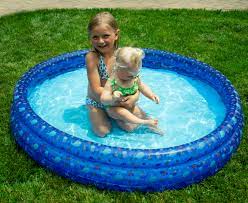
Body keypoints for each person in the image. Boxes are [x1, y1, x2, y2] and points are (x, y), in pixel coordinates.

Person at [86, 12, 142, 137]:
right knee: (102, 132)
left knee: (132, 127)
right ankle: (96, 112)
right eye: (95, 37)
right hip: (98, 102)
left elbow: (135, 81)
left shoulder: (122, 56)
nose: (101, 41)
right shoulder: (92, 57)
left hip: (119, 98)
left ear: (116, 34)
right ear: (90, 37)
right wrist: (118, 100)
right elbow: (95, 89)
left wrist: (134, 97)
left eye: (105, 36)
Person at [100, 47, 163, 134]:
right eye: (130, 76)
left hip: (130, 106)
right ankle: (142, 122)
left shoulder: (134, 77)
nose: (133, 77)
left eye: (136, 74)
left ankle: (152, 126)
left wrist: (151, 95)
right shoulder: (113, 81)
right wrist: (113, 97)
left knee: (141, 117)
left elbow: (142, 87)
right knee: (126, 119)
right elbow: (103, 98)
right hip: (114, 108)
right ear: (118, 68)